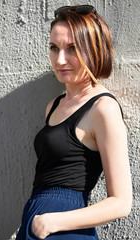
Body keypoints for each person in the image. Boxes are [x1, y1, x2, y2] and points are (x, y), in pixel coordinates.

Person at [16, 5, 132, 240]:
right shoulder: (54, 105)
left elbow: (121, 203)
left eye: (72, 48)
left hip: (65, 226)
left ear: (94, 51)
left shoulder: (103, 108)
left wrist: (51, 221)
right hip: (36, 219)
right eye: (53, 48)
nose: (60, 59)